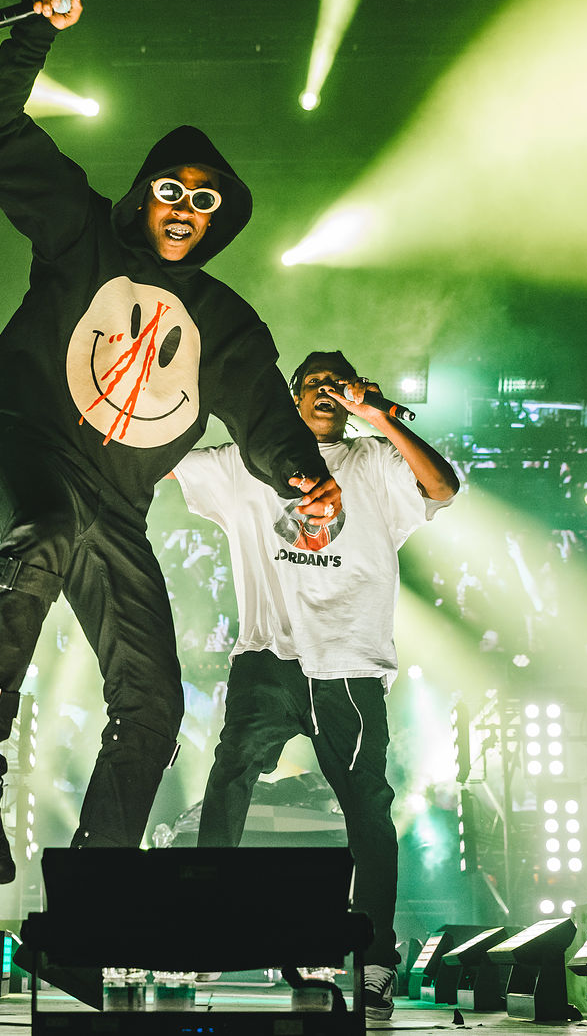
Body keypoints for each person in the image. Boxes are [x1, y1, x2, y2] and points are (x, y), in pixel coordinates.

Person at [0, 0, 342, 886]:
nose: (184, 209)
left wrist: (304, 477)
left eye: (205, 203)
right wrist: (34, 36)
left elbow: (269, 416)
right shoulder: (81, 234)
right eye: (170, 188)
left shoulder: (228, 324)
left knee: (154, 704)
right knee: (41, 534)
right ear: (143, 192)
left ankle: (100, 885)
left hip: (115, 510)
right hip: (26, 452)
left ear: (220, 221)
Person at [173, 350, 460, 1019]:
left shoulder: (374, 460)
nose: (327, 391)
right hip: (268, 656)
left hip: (350, 665)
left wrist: (382, 418)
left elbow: (441, 487)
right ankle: (205, 930)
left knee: (368, 809)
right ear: (293, 396)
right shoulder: (250, 459)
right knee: (227, 784)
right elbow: (166, 455)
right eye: (313, 384)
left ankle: (375, 958)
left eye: (339, 383)